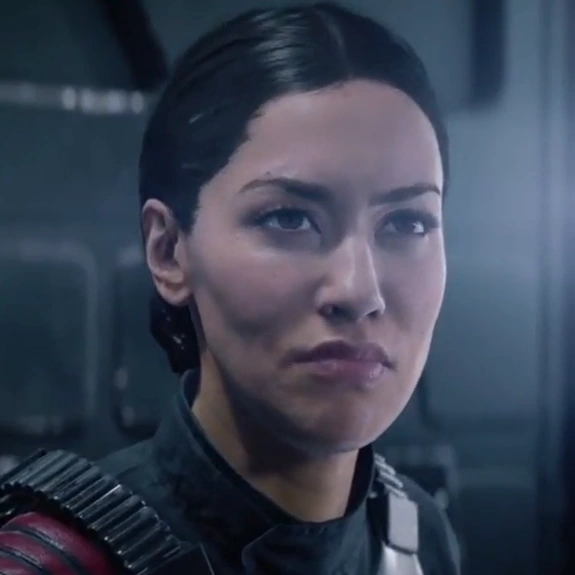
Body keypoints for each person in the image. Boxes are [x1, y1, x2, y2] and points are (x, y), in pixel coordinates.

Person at [0, 3, 459, 574]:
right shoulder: (56, 565)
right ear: (169, 250)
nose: (359, 290)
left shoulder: (416, 537)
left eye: (407, 223)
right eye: (289, 218)